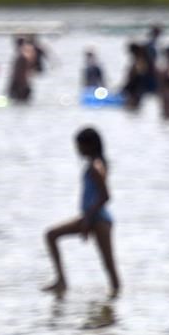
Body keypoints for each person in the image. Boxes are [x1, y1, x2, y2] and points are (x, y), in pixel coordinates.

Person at [42, 127, 119, 297]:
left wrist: (88, 219)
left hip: (100, 221)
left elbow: (105, 196)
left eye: (80, 146)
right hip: (91, 217)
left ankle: (116, 295)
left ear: (90, 145)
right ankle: (61, 280)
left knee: (109, 265)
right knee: (51, 235)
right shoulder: (92, 165)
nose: (78, 150)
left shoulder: (96, 166)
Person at [7, 35, 36, 102]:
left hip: (20, 86)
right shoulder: (22, 57)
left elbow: (20, 75)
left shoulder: (22, 58)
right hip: (22, 85)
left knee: (18, 103)